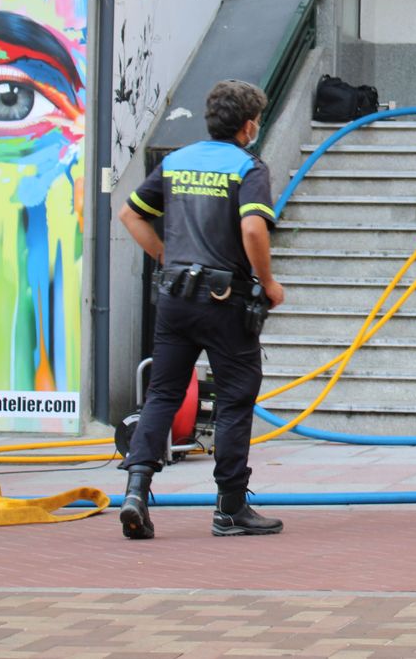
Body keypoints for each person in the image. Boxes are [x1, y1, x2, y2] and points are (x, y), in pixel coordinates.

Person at [117, 79, 287, 541]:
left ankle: (136, 491)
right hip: (224, 300)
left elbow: (130, 214)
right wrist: (268, 283)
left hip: (174, 298)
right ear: (249, 126)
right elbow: (253, 230)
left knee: (163, 395)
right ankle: (230, 508)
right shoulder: (248, 168)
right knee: (234, 399)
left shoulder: (176, 161)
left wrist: (163, 257)